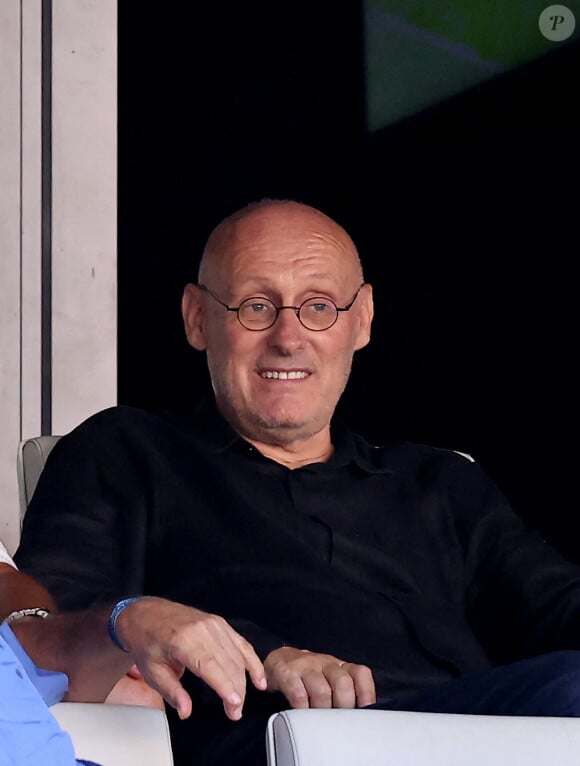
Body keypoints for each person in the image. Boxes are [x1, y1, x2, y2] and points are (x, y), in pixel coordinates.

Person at [13, 198, 580, 766]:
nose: (288, 337)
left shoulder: (443, 483)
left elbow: (557, 604)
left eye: (319, 306)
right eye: (256, 306)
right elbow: (38, 645)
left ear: (362, 321)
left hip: (479, 730)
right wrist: (260, 655)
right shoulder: (126, 453)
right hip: (277, 743)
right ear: (196, 318)